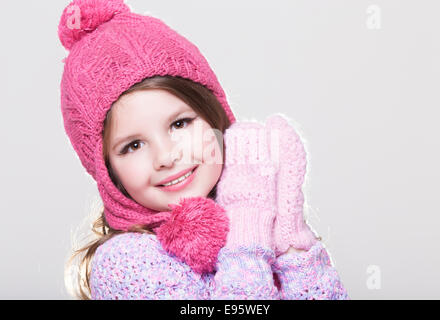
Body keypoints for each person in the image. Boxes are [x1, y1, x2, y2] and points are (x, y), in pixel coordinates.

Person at [58, 0, 350, 300]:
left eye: (180, 124)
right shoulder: (125, 263)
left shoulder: (256, 209)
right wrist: (248, 234)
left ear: (214, 114)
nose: (167, 157)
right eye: (133, 145)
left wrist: (293, 241)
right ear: (107, 170)